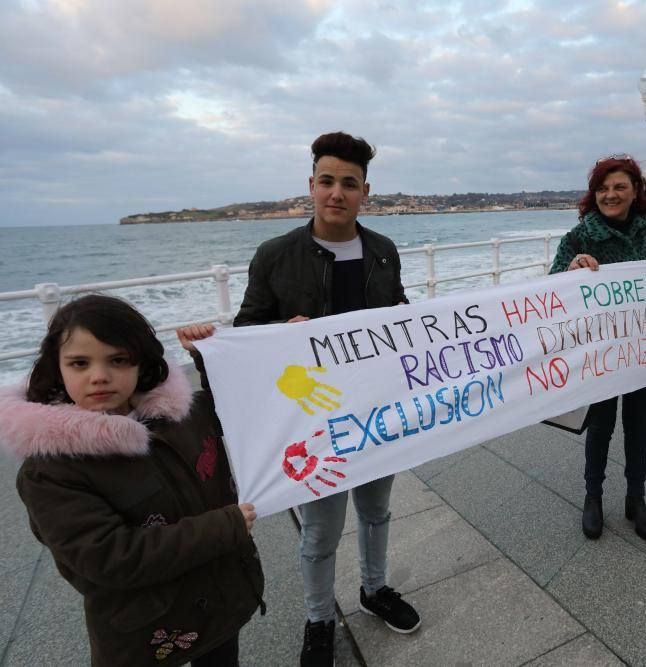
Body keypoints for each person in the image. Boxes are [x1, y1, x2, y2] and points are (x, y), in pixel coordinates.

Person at [234, 131, 419, 667]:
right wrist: (280, 334)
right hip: (313, 416)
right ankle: (318, 619)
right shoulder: (274, 255)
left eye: (349, 184)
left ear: (366, 191)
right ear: (310, 186)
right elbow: (247, 332)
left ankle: (374, 589)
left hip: (376, 410)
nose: (337, 193)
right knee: (319, 530)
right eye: (327, 181)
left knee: (377, 511)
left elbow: (399, 313)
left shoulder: (383, 251)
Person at [0, 295, 264, 667]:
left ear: (142, 363)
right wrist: (225, 526)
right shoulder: (51, 470)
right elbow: (109, 556)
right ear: (57, 369)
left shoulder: (180, 416)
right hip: (145, 630)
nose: (99, 375)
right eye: (79, 363)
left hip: (219, 600)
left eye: (118, 360)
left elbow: (235, 407)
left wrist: (210, 354)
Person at [550, 155, 646, 542]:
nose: (610, 194)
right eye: (603, 188)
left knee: (638, 426)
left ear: (636, 190)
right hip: (601, 354)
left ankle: (635, 498)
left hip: (643, 351)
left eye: (619, 186)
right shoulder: (580, 237)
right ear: (594, 195)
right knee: (600, 427)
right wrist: (572, 269)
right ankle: (593, 497)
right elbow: (552, 285)